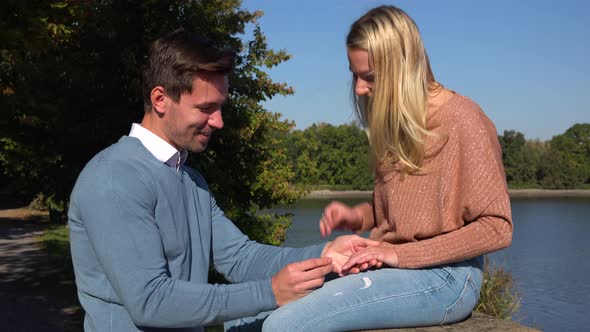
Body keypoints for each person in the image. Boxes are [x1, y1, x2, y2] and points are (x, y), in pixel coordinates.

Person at [67, 29, 379, 332]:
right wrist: (270, 292)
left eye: (220, 107)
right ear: (160, 99)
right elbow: (151, 300)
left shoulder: (190, 179)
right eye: (206, 108)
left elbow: (241, 258)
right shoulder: (113, 178)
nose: (218, 121)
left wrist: (325, 254)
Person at [259, 5, 513, 331]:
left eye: (371, 77)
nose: (359, 89)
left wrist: (399, 256)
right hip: (391, 267)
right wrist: (357, 217)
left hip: (447, 275)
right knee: (253, 311)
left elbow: (497, 227)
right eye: (354, 74)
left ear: (404, 68)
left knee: (283, 326)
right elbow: (400, 214)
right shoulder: (394, 123)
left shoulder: (464, 119)